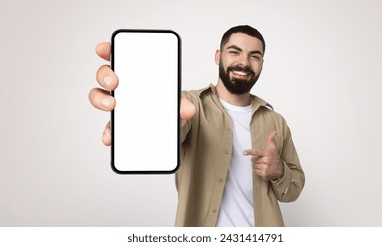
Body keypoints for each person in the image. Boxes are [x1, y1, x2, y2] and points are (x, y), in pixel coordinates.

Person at [89, 25, 305, 227]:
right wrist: (143, 121)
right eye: (234, 51)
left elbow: (294, 190)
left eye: (254, 56)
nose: (244, 62)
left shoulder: (275, 121)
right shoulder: (186, 105)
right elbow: (171, 130)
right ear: (218, 56)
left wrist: (279, 172)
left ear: (261, 64)